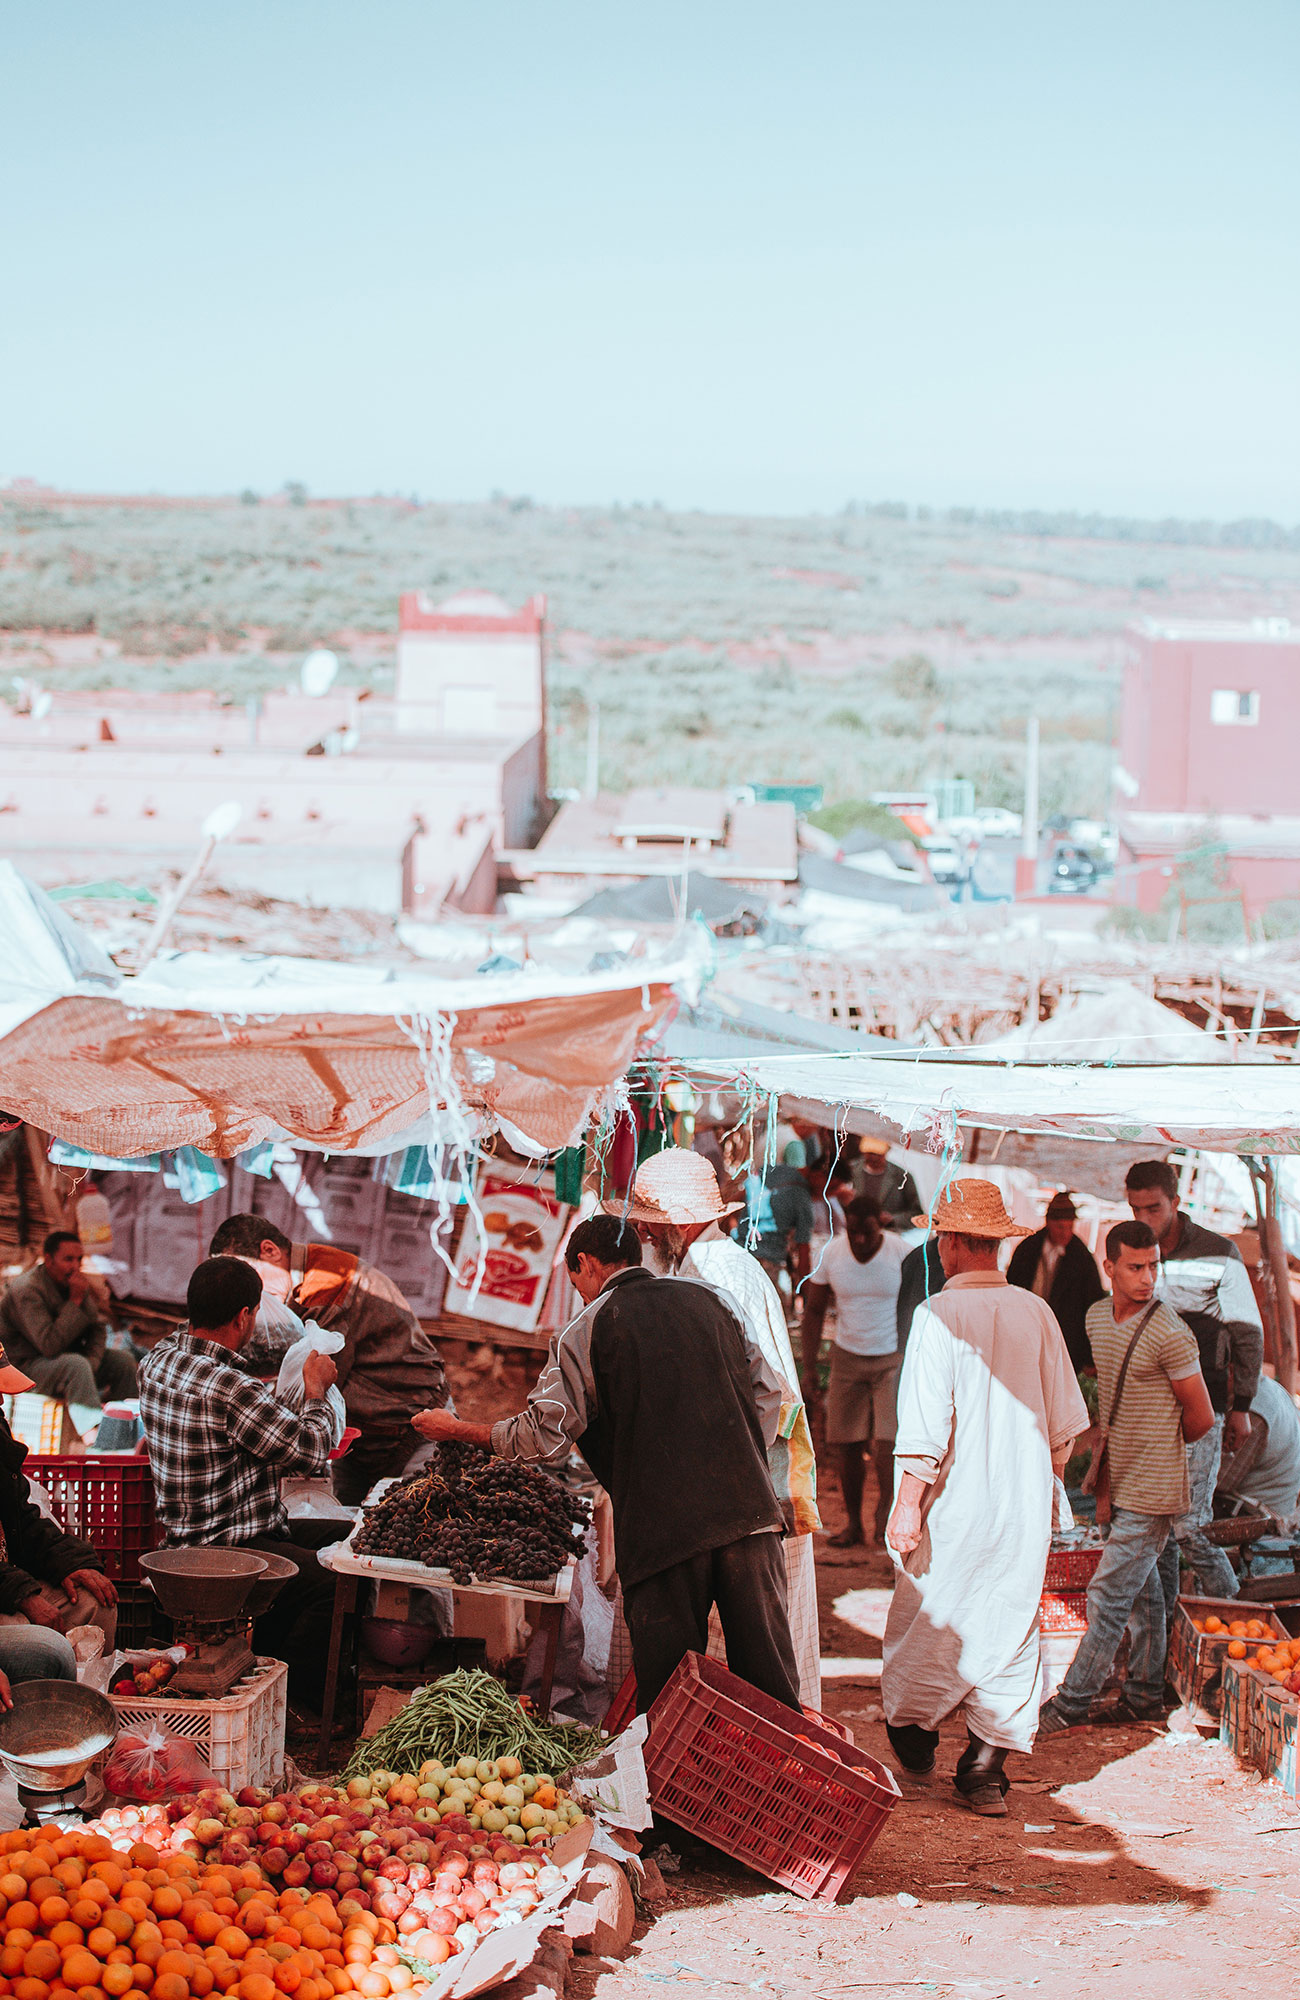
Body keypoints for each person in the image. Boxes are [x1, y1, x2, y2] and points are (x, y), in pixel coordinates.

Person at [411, 1215, 802, 1717]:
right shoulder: (713, 1300)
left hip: (664, 1534)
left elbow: (542, 1436)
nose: (579, 1293)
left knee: (669, 1692)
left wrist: (458, 1429)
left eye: (576, 1281)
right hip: (750, 1517)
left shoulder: (586, 1330)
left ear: (587, 1264)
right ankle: (784, 1784)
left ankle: (670, 1793)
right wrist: (733, 1456)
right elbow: (770, 1394)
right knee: (770, 1685)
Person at [882, 1179, 1088, 1816]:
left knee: (930, 1621)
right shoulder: (1036, 1312)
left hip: (953, 1504)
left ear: (948, 1243)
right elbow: (1064, 1430)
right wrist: (1046, 1488)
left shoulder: (938, 1315)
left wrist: (907, 1504)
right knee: (1009, 1622)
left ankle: (914, 1735)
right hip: (1022, 1504)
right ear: (996, 1244)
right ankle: (983, 1768)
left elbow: (924, 1429)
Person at [612, 1146, 822, 1708]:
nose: (644, 1234)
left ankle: (781, 1759)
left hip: (746, 1483)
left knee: (765, 1650)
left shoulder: (722, 1271)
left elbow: (768, 1392)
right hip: (730, 1480)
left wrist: (716, 1458)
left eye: (650, 1224)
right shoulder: (689, 1267)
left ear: (677, 1222)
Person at [138, 1256, 343, 1708]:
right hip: (226, 1549)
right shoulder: (232, 1389)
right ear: (244, 1316)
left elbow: (193, 1352)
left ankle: (266, 1657)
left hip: (185, 1537)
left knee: (348, 1537)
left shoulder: (156, 1361)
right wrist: (315, 1390)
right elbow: (311, 1450)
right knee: (336, 1580)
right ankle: (291, 1701)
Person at [1038, 1221, 1215, 1732]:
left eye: (1153, 1266)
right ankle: (1142, 1696)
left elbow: (1201, 1418)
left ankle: (1071, 1703)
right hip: (1120, 1479)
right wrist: (1110, 1478)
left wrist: (1157, 1446)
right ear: (1109, 1267)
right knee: (1145, 1594)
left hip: (1155, 1487)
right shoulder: (1097, 1319)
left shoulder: (1170, 1332)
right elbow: (1113, 1409)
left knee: (1109, 1594)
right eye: (1135, 1267)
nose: (1147, 1278)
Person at [208, 1214, 450, 1505]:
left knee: (412, 1524)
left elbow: (308, 1381)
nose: (249, 1295)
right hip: (359, 1439)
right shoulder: (296, 1285)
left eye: (249, 1278)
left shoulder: (328, 1285)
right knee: (345, 1526)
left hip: (418, 1427)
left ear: (270, 1251)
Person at [1124, 1161, 1263, 1608]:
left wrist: (1241, 1403)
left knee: (1190, 1525)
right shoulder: (1132, 1251)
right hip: (1148, 1412)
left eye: (1153, 1208)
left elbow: (1247, 1332)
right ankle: (1167, 1634)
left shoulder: (1218, 1252)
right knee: (1157, 1527)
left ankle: (1237, 1609)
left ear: (1176, 1203)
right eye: (1134, 1209)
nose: (1143, 1219)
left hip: (1201, 1409)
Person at [800, 1195, 904, 1546]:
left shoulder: (901, 1253)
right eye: (854, 1231)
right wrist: (810, 1367)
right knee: (846, 1443)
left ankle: (884, 1519)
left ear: (882, 1224)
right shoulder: (831, 1253)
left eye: (868, 1232)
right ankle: (854, 1525)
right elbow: (813, 1311)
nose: (859, 1239)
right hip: (847, 1355)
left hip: (891, 1357)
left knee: (888, 1445)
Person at [0, 1344, 118, 1652]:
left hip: (8, 1580)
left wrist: (69, 1563)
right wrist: (23, 1596)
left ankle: (88, 1699)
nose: (1, 1400)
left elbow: (23, 1516)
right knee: (33, 1640)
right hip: (5, 1590)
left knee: (95, 1606)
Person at [0, 1231, 138, 1423]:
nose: (75, 1267)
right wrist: (74, 1301)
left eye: (78, 1259)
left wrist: (92, 1362)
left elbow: (97, 1329)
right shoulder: (27, 1290)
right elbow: (49, 1345)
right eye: (68, 1259)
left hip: (64, 1360)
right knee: (76, 1365)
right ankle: (95, 1435)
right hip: (25, 1367)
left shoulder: (73, 1284)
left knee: (123, 1361)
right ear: (49, 1260)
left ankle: (123, 1426)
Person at [1006, 1193, 1105, 1373]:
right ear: (1048, 1222)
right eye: (1060, 1227)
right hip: (1027, 1335)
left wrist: (1089, 1357)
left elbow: (1093, 1304)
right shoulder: (1027, 1250)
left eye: (1069, 1226)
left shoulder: (1082, 1257)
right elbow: (1011, 1293)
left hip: (1066, 1342)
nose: (1065, 1233)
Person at [1219, 1375, 1300, 1530]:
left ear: (1230, 1370)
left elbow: (1220, 1481)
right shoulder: (1267, 1387)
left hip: (1261, 1518)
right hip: (1266, 1506)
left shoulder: (1253, 1413)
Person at [853, 1138, 919, 1228]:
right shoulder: (851, 1171)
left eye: (878, 1154)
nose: (874, 1158)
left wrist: (893, 1219)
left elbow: (916, 1213)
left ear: (887, 1151)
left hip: (890, 1232)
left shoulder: (902, 1176)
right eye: (870, 1153)